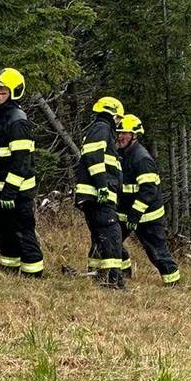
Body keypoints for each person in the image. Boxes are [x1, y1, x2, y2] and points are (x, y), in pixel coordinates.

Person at [0, 68, 44, 278]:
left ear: (13, 92)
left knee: (23, 232)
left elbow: (22, 162)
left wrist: (10, 190)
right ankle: (8, 269)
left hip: (17, 191)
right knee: (3, 232)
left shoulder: (17, 121)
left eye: (2, 90)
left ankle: (33, 273)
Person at [115, 115, 180, 284]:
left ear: (134, 136)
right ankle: (124, 274)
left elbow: (148, 190)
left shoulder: (142, 158)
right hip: (126, 214)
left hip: (147, 216)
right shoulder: (121, 154)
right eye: (119, 132)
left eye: (125, 133)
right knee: (112, 242)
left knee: (157, 253)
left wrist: (136, 213)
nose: (120, 136)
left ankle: (173, 282)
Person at [74, 95, 128, 289]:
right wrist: (102, 186)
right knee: (112, 234)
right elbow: (93, 158)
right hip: (98, 196)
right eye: (119, 118)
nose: (119, 123)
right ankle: (113, 281)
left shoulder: (100, 129)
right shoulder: (102, 128)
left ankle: (99, 276)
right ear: (112, 114)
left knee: (100, 236)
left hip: (95, 195)